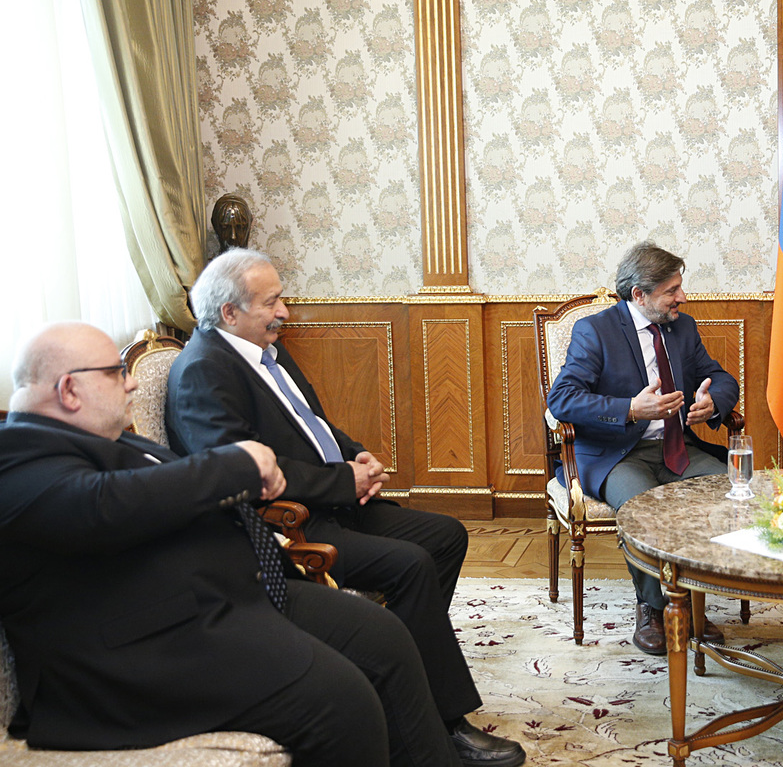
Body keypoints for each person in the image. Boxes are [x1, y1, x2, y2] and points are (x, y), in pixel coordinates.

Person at [0, 322, 467, 766]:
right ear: (69, 390)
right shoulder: (18, 457)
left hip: (232, 596)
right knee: (341, 699)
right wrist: (238, 464)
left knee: (382, 638)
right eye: (116, 373)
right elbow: (103, 505)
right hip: (145, 651)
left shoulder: (103, 440)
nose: (132, 383)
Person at [164, 249, 522, 767]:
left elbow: (311, 423)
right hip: (288, 525)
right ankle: (443, 724)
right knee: (410, 564)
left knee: (445, 536)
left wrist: (357, 456)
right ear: (229, 312)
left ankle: (399, 678)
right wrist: (342, 482)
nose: (284, 311)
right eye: (272, 302)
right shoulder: (203, 372)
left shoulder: (263, 347)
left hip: (331, 500)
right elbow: (242, 473)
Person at [547, 242, 740, 655]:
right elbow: (562, 399)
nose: (681, 297)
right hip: (616, 455)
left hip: (676, 448)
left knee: (728, 491)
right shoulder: (595, 331)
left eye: (679, 287)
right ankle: (653, 607)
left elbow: (721, 378)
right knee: (642, 506)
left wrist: (713, 402)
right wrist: (630, 409)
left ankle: (694, 601)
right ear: (639, 294)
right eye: (672, 290)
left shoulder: (682, 328)